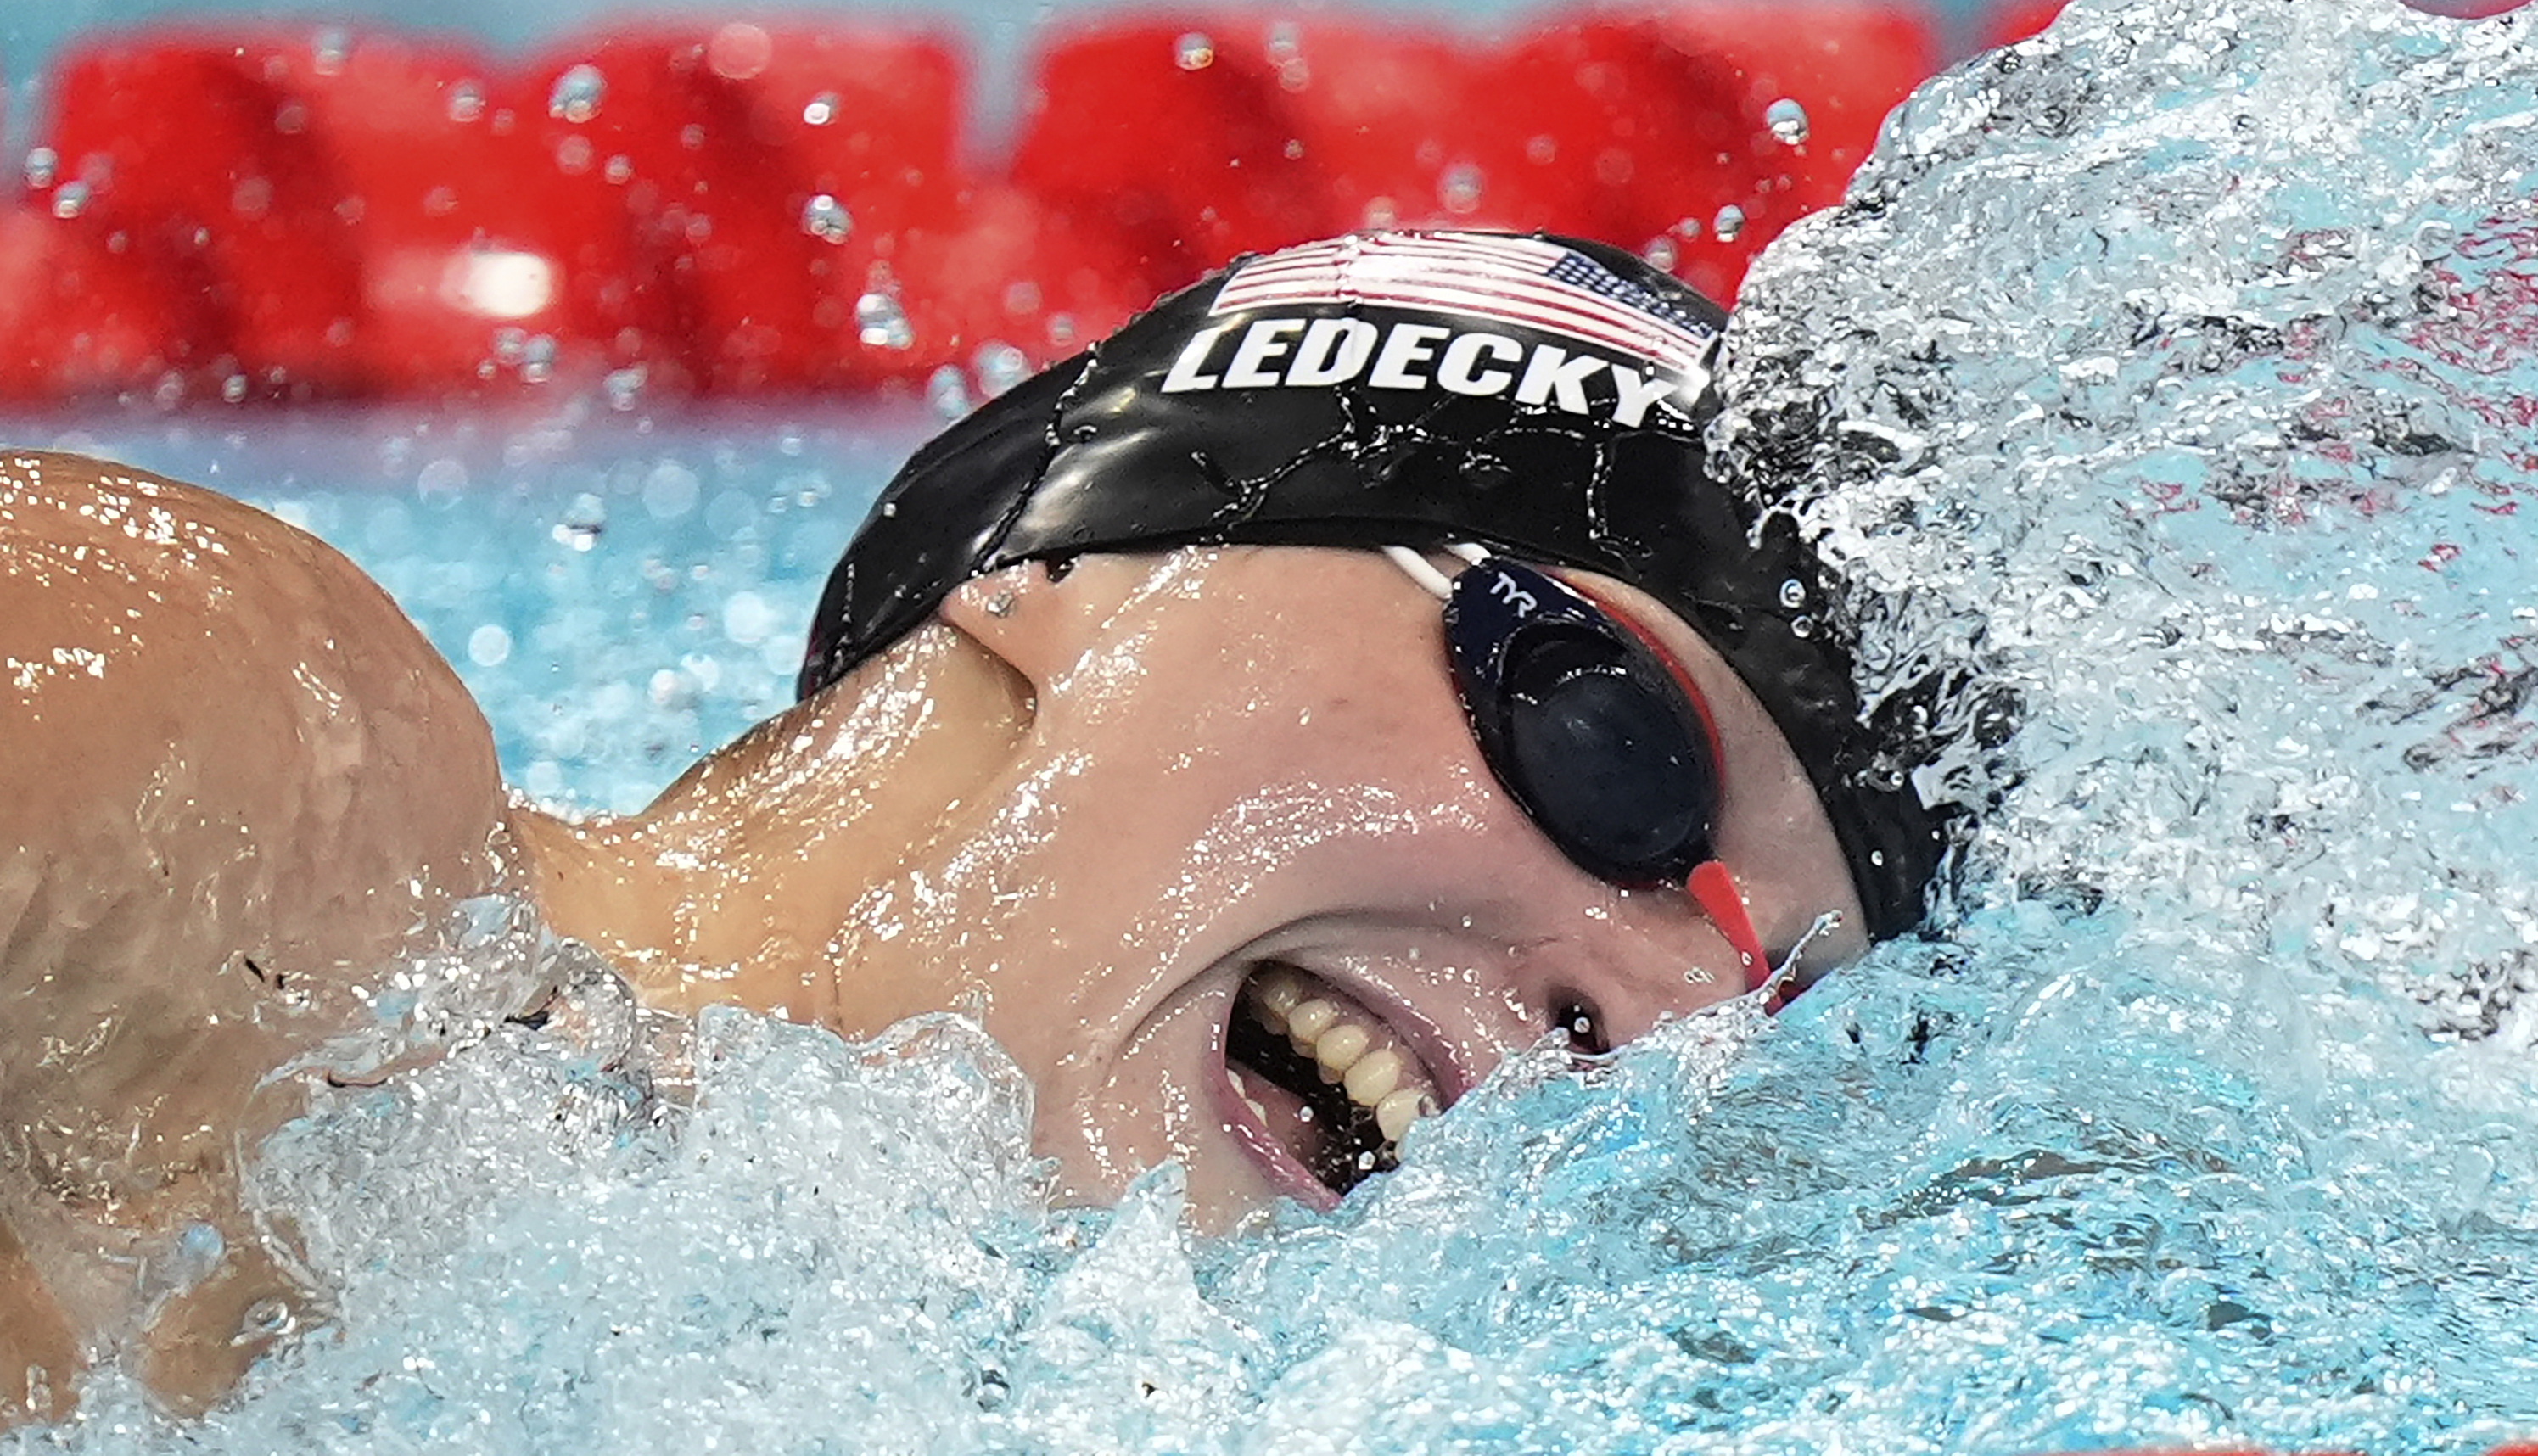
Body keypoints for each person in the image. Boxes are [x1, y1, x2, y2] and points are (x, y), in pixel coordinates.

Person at [0, 228, 1954, 1417]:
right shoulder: (262, 774)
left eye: (1766, 1014)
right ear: (1074, 565)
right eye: (1623, 752)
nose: (1663, 1021)